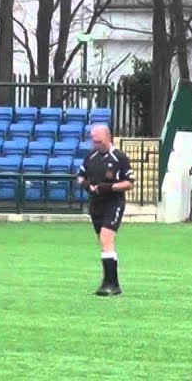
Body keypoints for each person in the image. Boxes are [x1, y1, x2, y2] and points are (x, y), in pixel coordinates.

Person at [76, 124, 135, 296]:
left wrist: (109, 187)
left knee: (106, 238)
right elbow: (80, 176)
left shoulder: (119, 157)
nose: (96, 145)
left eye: (99, 142)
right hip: (96, 203)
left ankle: (110, 283)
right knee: (103, 242)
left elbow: (129, 183)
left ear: (108, 138)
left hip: (113, 203)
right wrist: (86, 185)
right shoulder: (91, 156)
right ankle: (111, 282)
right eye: (94, 142)